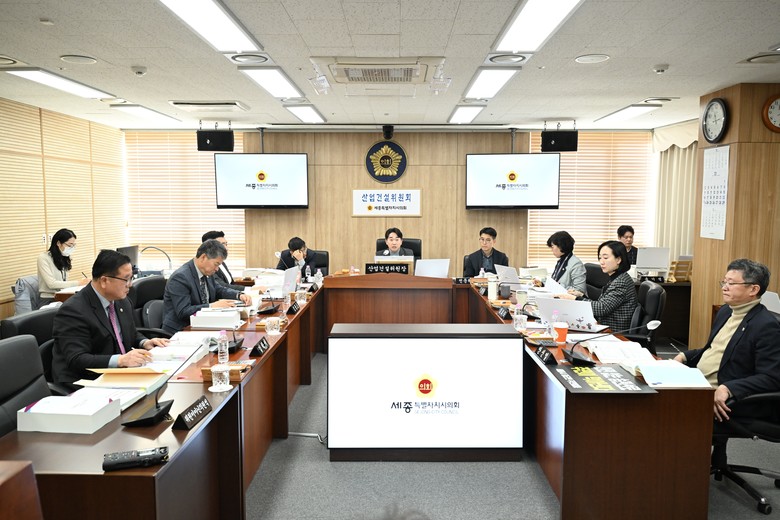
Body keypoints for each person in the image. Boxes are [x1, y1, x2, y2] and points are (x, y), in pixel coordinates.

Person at [673, 259, 780, 430]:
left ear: (753, 289)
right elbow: (715, 350)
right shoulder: (725, 311)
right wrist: (683, 356)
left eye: (731, 283)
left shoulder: (766, 325)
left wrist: (728, 388)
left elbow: (771, 377)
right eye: (724, 282)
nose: (724, 287)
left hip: (723, 396)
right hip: (697, 382)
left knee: (661, 412)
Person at [51, 249, 169, 385]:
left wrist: (144, 342)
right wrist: (120, 360)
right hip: (86, 381)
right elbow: (77, 359)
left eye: (131, 278)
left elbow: (130, 332)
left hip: (119, 375)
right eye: (126, 279)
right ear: (104, 281)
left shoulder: (122, 301)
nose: (130, 285)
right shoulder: (73, 310)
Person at [162, 239, 251, 333]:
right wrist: (211, 306)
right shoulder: (180, 277)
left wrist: (239, 295)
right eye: (216, 264)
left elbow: (218, 289)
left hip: (202, 324)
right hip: (181, 330)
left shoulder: (206, 272)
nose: (217, 269)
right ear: (203, 257)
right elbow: (183, 312)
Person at [556, 240, 637, 331]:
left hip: (613, 332)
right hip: (603, 326)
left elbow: (602, 309)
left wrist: (575, 299)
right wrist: (581, 296)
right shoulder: (617, 277)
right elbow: (603, 303)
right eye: (600, 258)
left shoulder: (621, 282)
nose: (601, 262)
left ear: (618, 259)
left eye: (605, 258)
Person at [37, 228, 89, 304]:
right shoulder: (43, 258)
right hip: (49, 299)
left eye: (74, 245)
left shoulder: (64, 257)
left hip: (63, 296)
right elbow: (51, 284)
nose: (72, 248)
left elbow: (64, 282)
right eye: (70, 245)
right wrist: (79, 283)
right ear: (58, 243)